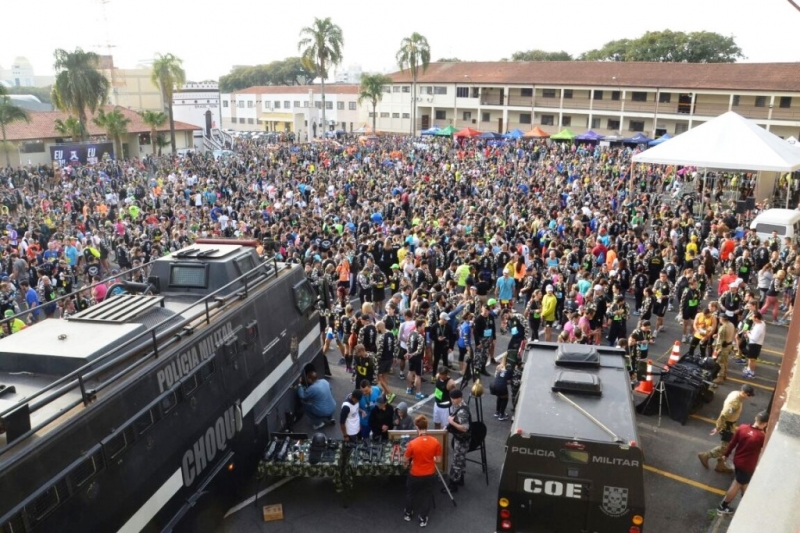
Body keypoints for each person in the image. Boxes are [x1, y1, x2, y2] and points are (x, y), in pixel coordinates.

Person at [717, 411, 769, 515]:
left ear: (755, 418)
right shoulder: (761, 437)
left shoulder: (742, 428)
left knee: (744, 482)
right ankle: (723, 506)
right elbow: (765, 449)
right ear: (765, 424)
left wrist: (726, 454)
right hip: (748, 466)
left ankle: (746, 500)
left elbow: (732, 443)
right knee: (737, 484)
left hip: (737, 461)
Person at [698, 384, 756, 473]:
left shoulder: (735, 393)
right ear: (744, 393)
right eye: (749, 395)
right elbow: (724, 415)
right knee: (725, 447)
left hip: (730, 424)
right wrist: (718, 427)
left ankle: (720, 464)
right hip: (727, 426)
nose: (749, 397)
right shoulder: (735, 403)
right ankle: (706, 456)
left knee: (728, 444)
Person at [403, 415, 442, 528]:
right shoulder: (435, 442)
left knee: (411, 493)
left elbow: (405, 460)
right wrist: (430, 459)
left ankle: (408, 513)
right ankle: (423, 518)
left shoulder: (412, 443)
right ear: (427, 426)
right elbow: (438, 460)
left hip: (415, 474)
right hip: (429, 474)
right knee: (427, 495)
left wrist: (408, 462)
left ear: (416, 427)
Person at [444, 389, 471, 493]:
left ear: (459, 398)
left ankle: (453, 484)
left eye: (453, 399)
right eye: (451, 399)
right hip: (461, 439)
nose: (452, 401)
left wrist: (451, 421)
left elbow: (464, 428)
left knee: (457, 461)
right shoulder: (462, 405)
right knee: (461, 460)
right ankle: (460, 479)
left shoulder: (462, 411)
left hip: (461, 440)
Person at [404, 319, 427, 400]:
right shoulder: (420, 336)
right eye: (423, 326)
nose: (424, 327)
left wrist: (408, 353)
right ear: (419, 326)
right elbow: (420, 350)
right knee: (418, 375)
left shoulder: (411, 333)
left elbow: (408, 343)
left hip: (411, 357)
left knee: (410, 372)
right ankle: (418, 394)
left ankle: (408, 389)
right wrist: (411, 354)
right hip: (417, 358)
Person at [742, 311, 765, 379]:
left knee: (752, 359)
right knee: (750, 358)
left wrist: (747, 333)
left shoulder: (758, 328)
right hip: (755, 344)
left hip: (755, 344)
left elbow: (754, 338)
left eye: (753, 317)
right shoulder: (761, 323)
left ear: (757, 319)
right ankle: (749, 369)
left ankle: (751, 373)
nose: (751, 318)